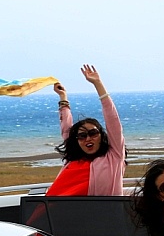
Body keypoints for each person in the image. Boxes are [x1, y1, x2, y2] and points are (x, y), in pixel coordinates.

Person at [48, 64, 126, 196]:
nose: (88, 139)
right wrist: (63, 97)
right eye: (82, 136)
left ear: (101, 135)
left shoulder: (114, 157)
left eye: (93, 133)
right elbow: (66, 128)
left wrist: (97, 83)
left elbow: (113, 120)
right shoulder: (73, 159)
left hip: (106, 210)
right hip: (64, 208)